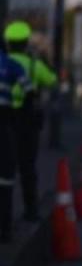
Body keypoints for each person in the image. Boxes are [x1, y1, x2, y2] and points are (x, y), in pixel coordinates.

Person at [5, 21, 58, 223]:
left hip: (5, 119)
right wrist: (44, 59)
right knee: (28, 168)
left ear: (8, 42)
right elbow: (52, 80)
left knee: (5, 169)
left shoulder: (3, 62)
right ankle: (30, 210)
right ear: (26, 42)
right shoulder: (34, 65)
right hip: (27, 123)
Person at [0, 41, 28, 243]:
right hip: (4, 122)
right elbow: (29, 89)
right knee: (5, 178)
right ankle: (5, 229)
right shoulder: (11, 65)